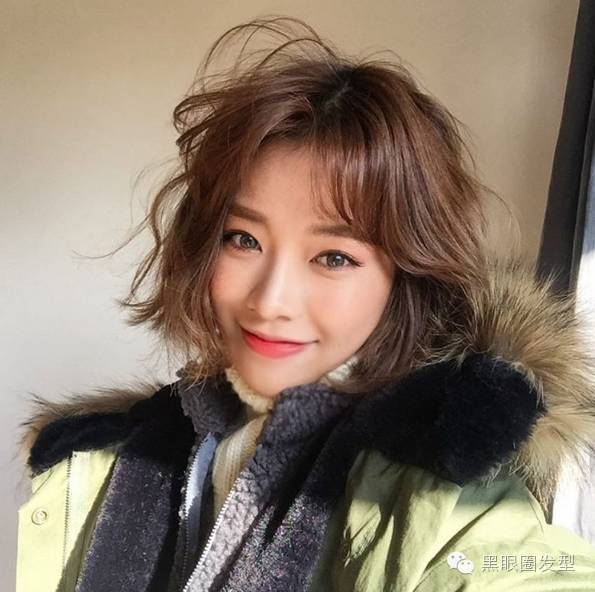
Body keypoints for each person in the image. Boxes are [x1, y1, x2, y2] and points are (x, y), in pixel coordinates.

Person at [15, 16, 595, 592]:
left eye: (333, 257)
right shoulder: (113, 452)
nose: (271, 301)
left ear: (406, 275)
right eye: (243, 240)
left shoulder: (449, 498)